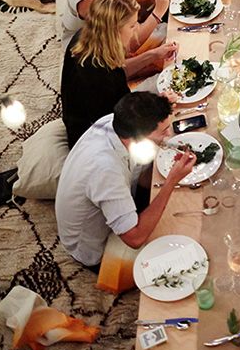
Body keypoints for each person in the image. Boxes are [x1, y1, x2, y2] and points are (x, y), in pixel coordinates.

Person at [55, 92, 197, 268]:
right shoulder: (105, 169)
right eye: (163, 131)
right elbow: (135, 238)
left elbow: (140, 175)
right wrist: (171, 182)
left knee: (178, 202)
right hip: (96, 247)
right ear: (137, 138)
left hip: (125, 195)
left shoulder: (115, 122)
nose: (168, 135)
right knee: (184, 243)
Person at [61, 0, 176, 149]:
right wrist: (159, 107)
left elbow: (119, 71)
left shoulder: (89, 37)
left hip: (114, 114)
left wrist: (153, 55)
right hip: (98, 138)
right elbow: (121, 125)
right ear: (114, 30)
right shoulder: (94, 73)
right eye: (132, 25)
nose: (137, 30)